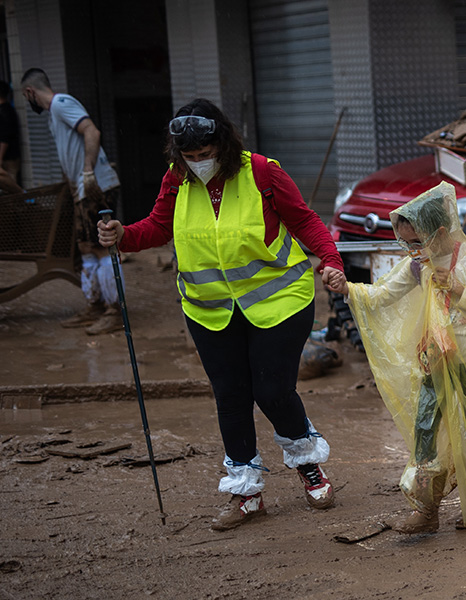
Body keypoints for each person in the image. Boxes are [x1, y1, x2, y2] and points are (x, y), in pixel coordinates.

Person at [97, 99, 344, 531]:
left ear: (223, 144)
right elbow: (158, 227)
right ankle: (246, 493)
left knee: (272, 392)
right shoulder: (177, 179)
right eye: (189, 156)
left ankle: (308, 464)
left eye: (205, 154)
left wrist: (330, 261)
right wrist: (123, 236)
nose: (198, 163)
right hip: (209, 309)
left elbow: (305, 220)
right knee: (230, 396)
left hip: (279, 301)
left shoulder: (262, 172)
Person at [327, 181, 466, 533]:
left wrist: (459, 291)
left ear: (440, 232)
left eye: (417, 241)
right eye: (406, 244)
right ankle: (426, 511)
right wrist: (347, 289)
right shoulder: (419, 265)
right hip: (435, 359)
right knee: (425, 431)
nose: (412, 250)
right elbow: (382, 295)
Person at [21, 68, 122, 334]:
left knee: (101, 248)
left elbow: (92, 131)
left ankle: (115, 311)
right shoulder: (54, 115)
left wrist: (88, 172)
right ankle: (95, 306)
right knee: (86, 247)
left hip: (95, 186)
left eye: (25, 96)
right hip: (82, 189)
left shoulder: (61, 103)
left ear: (30, 92)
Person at [0, 80, 23, 194]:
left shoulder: (4, 111)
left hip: (9, 157)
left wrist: (0, 157)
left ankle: (23, 200)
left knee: (12, 189)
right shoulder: (7, 110)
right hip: (9, 156)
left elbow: (5, 137)